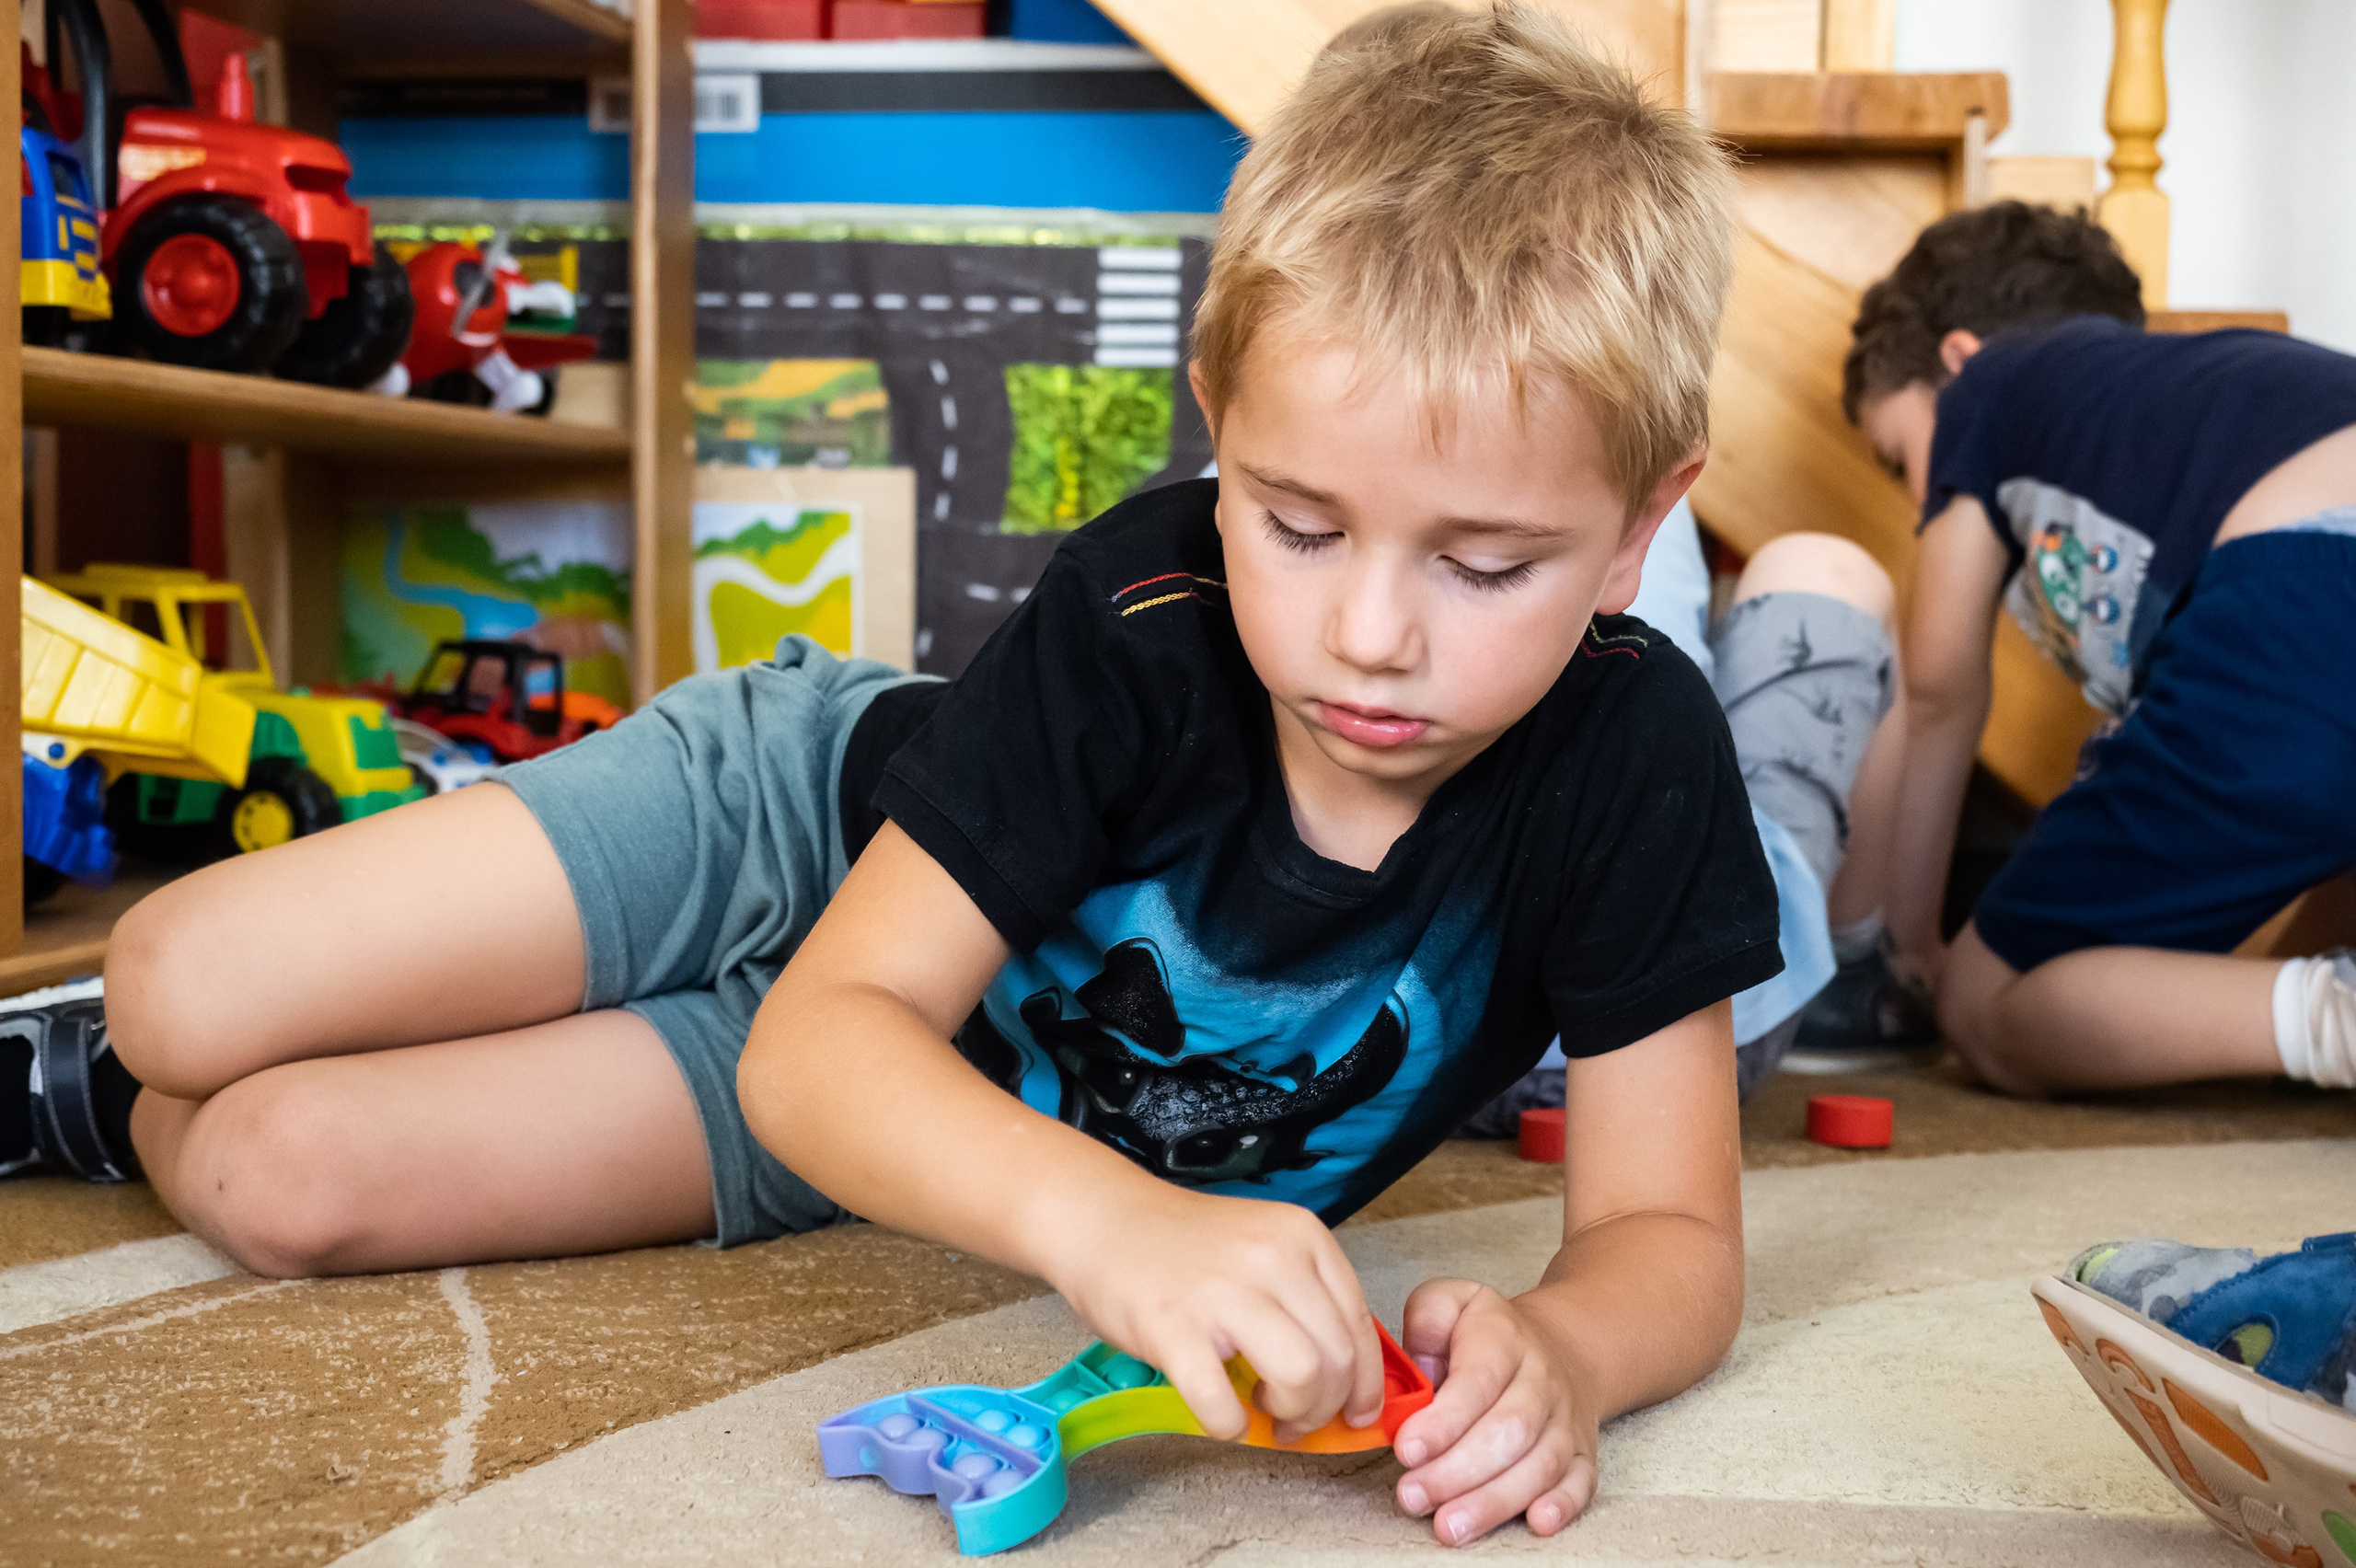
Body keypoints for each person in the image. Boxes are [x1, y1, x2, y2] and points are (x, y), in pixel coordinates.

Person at [66, 5, 1773, 1544]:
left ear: (1639, 526)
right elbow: (838, 1015)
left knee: (281, 1173)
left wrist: (1562, 1345)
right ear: (1216, 418)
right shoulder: (1141, 616)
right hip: (786, 829)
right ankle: (102, 1039)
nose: (1372, 634)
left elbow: (1672, 1235)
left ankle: (58, 1098)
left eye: (1483, 566)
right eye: (1299, 523)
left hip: (907, 1102)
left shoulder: (1639, 759)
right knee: (178, 981)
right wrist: (1118, 1228)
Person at [1844, 201, 2356, 1097]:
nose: (1915, 501)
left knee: (1988, 1002)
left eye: (1900, 460)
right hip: (2314, 591)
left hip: (2305, 583)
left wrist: (1914, 944)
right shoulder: (2188, 394)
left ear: (1956, 359)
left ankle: (2339, 1021)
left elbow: (1937, 694)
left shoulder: (1983, 391)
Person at [1463, 501, 1914, 1136]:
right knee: (1830, 570)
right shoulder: (1637, 448)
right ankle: (1857, 966)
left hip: (1397, 1052)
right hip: (1709, 1035)